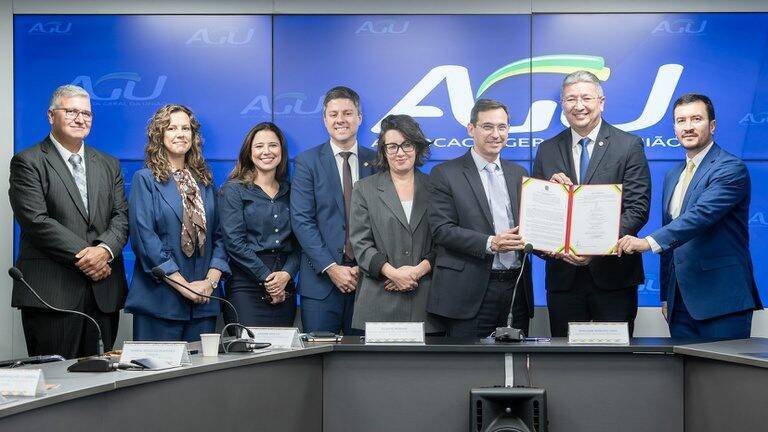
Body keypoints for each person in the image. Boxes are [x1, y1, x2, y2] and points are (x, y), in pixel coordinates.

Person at [617, 93, 762, 339]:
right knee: (684, 377)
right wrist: (665, 295)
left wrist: (646, 242)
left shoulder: (730, 168)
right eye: (681, 121)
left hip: (721, 301)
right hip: (680, 304)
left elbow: (699, 216)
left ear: (712, 125)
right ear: (674, 128)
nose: (688, 127)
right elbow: (671, 242)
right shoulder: (674, 175)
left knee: (723, 377)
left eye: (696, 119)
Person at [9, 84, 129, 359]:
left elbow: (121, 217)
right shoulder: (27, 161)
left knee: (101, 385)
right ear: (51, 115)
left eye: (86, 113)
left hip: (104, 293)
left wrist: (104, 251)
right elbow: (35, 220)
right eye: (72, 111)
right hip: (53, 294)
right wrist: (89, 258)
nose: (80, 118)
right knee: (59, 386)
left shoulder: (109, 164)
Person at [533, 70, 651, 337]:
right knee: (566, 364)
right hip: (564, 280)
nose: (579, 106)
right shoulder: (547, 149)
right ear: (562, 105)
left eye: (586, 97)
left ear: (601, 102)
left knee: (613, 364)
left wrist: (595, 247)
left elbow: (637, 209)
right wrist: (551, 198)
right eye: (570, 99)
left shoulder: (628, 145)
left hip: (614, 278)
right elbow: (538, 215)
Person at [427, 99, 533, 338]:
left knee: (515, 367)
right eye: (487, 127)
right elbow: (442, 230)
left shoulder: (520, 173)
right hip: (469, 293)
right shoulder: (445, 174)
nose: (496, 134)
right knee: (468, 371)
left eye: (502, 127)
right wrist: (490, 243)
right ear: (471, 129)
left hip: (516, 289)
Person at [125, 104, 230, 342]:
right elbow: (146, 241)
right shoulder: (146, 180)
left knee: (201, 377)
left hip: (204, 301)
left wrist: (210, 283)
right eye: (171, 128)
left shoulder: (204, 181)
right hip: (161, 303)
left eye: (186, 128)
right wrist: (185, 287)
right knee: (159, 378)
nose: (180, 134)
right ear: (159, 136)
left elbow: (221, 236)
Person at [291, 86, 376, 334]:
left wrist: (366, 265)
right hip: (321, 283)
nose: (341, 120)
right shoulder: (308, 162)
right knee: (317, 360)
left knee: (364, 362)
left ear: (359, 118)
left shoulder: (378, 161)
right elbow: (301, 220)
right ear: (325, 120)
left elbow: (384, 222)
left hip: (367, 281)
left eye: (348, 113)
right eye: (334, 114)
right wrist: (332, 267)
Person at [349, 114, 441, 333]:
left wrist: (417, 272)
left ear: (417, 147)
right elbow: (361, 245)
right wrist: (393, 273)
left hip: (426, 303)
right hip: (379, 301)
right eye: (392, 146)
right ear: (384, 151)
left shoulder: (436, 187)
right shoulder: (364, 189)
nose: (400, 153)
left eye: (407, 144)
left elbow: (444, 241)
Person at [219, 122, 300, 327]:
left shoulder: (292, 191)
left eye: (273, 145)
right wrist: (269, 279)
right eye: (259, 146)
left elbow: (302, 241)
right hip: (245, 286)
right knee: (248, 354)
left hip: (285, 284)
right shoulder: (234, 190)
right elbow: (234, 243)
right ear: (249, 151)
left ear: (281, 150)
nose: (266, 151)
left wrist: (286, 275)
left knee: (284, 356)